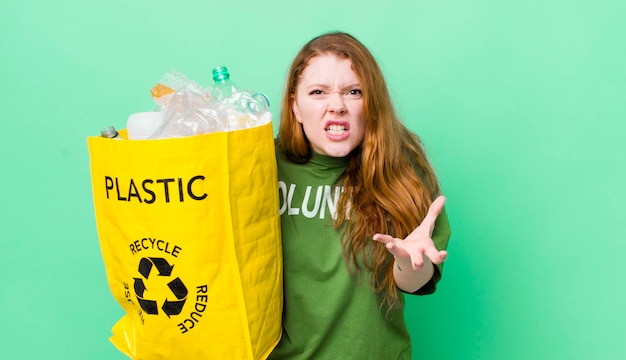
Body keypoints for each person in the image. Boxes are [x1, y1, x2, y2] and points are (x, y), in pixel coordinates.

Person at [268, 31, 451, 360]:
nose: (336, 106)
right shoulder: (261, 166)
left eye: (354, 92)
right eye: (318, 92)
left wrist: (410, 262)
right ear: (295, 106)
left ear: (371, 104)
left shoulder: (402, 169)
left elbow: (415, 283)